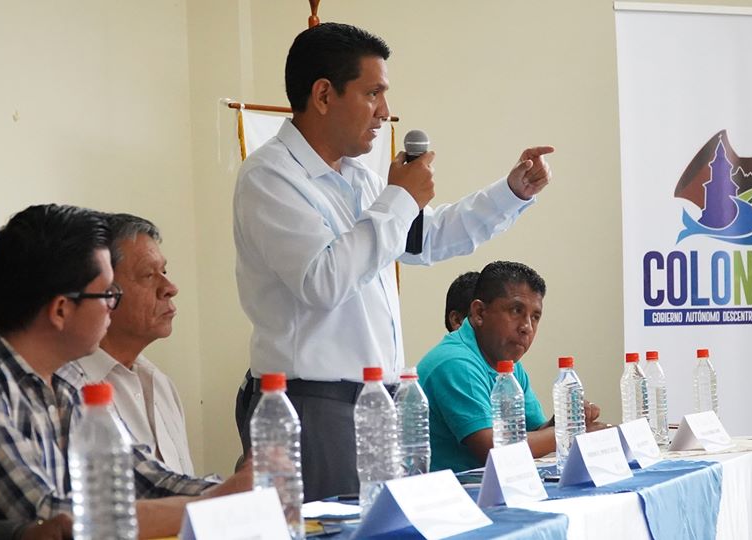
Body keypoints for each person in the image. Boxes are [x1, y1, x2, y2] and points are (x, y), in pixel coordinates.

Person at [233, 22, 554, 500]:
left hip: (377, 401)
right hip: (313, 402)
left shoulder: (358, 178)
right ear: (323, 95)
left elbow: (427, 238)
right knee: (335, 528)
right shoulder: (270, 177)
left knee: (383, 526)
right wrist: (400, 199)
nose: (385, 111)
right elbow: (322, 280)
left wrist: (511, 193)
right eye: (373, 93)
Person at [0, 205, 251, 539]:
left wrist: (240, 491)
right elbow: (50, 519)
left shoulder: (66, 378)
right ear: (61, 310)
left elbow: (145, 479)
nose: (112, 306)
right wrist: (216, 502)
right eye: (108, 293)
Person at [419, 261, 607, 473]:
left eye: (535, 317)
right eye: (516, 311)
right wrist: (571, 433)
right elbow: (493, 448)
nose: (527, 327)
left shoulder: (509, 366)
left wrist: (565, 420)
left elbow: (534, 432)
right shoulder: (454, 362)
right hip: (448, 491)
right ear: (479, 313)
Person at [67, 213, 196, 475]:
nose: (170, 288)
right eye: (148, 275)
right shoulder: (68, 390)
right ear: (103, 291)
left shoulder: (159, 384)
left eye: (164, 271)